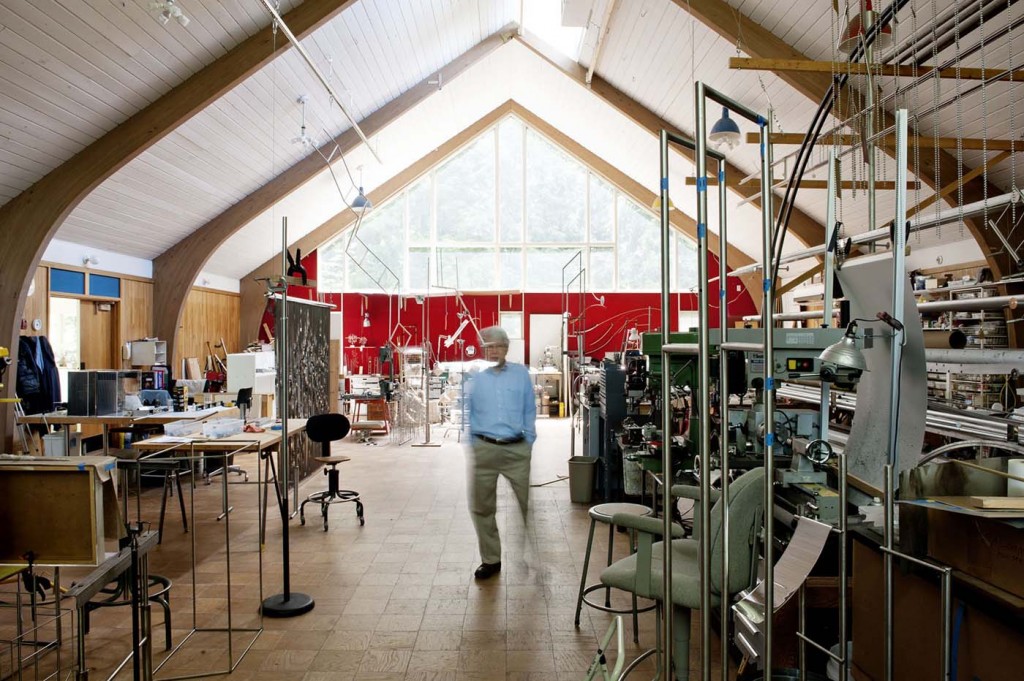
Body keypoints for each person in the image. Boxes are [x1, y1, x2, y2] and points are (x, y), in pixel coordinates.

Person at [465, 325, 537, 580]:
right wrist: (473, 442)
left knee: (528, 504)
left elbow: (530, 408)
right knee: (482, 507)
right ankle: (491, 560)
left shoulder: (520, 374)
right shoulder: (476, 377)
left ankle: (535, 555)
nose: (493, 351)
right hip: (484, 448)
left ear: (506, 347)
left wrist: (528, 440)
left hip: (516, 448)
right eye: (488, 347)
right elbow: (468, 410)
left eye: (497, 346)